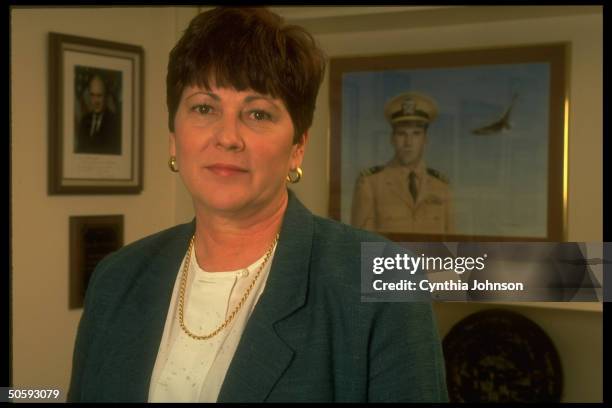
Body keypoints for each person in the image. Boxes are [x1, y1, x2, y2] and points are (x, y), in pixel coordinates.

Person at [67, 7, 448, 403]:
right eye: (204, 108)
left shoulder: (383, 286)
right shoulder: (116, 278)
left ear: (298, 147)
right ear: (173, 137)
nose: (227, 136)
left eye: (257, 113)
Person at [351, 91, 454, 234]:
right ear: (392, 138)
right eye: (401, 134)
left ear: (425, 139)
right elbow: (363, 244)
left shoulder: (441, 186)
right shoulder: (370, 183)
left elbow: (451, 245)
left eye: (416, 134)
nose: (408, 143)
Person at [75, 74, 121, 155]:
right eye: (92, 95)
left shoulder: (115, 122)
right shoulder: (84, 121)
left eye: (99, 96)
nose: (95, 101)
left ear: (106, 96)